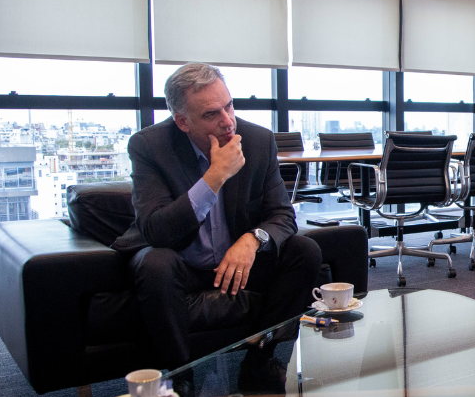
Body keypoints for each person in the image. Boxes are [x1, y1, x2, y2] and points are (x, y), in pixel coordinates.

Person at [114, 63, 322, 373]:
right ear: (182, 121)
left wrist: (253, 240)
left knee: (305, 251)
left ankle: (260, 359)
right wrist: (215, 177)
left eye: (229, 106)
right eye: (212, 114)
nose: (228, 122)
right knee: (155, 264)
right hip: (180, 263)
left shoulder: (257, 140)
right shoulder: (150, 147)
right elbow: (156, 229)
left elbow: (281, 215)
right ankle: (179, 375)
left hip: (236, 264)